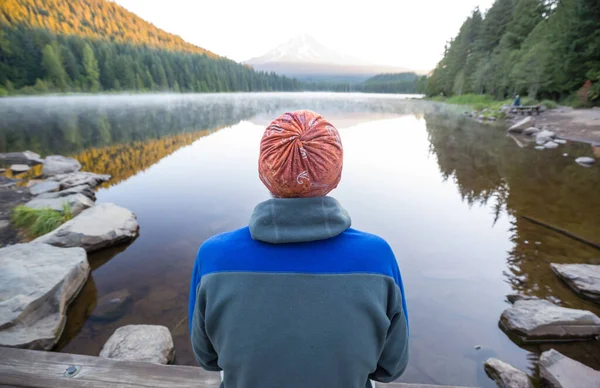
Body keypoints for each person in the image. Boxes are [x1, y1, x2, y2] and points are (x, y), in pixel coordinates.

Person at [189, 110, 409, 388]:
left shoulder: (214, 257)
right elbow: (391, 368)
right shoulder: (377, 258)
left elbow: (207, 359)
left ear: (264, 171)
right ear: (335, 173)